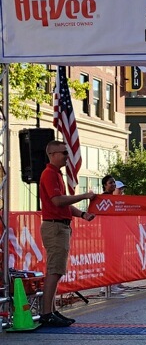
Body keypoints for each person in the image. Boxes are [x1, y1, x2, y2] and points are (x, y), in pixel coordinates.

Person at [39, 140, 97, 327]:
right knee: (54, 270)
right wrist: (84, 196)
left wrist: (82, 214)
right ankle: (46, 313)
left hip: (60, 226)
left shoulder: (56, 175)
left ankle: (52, 310)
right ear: (52, 154)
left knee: (57, 270)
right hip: (55, 227)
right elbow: (57, 201)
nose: (67, 156)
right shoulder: (49, 174)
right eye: (64, 153)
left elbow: (63, 203)